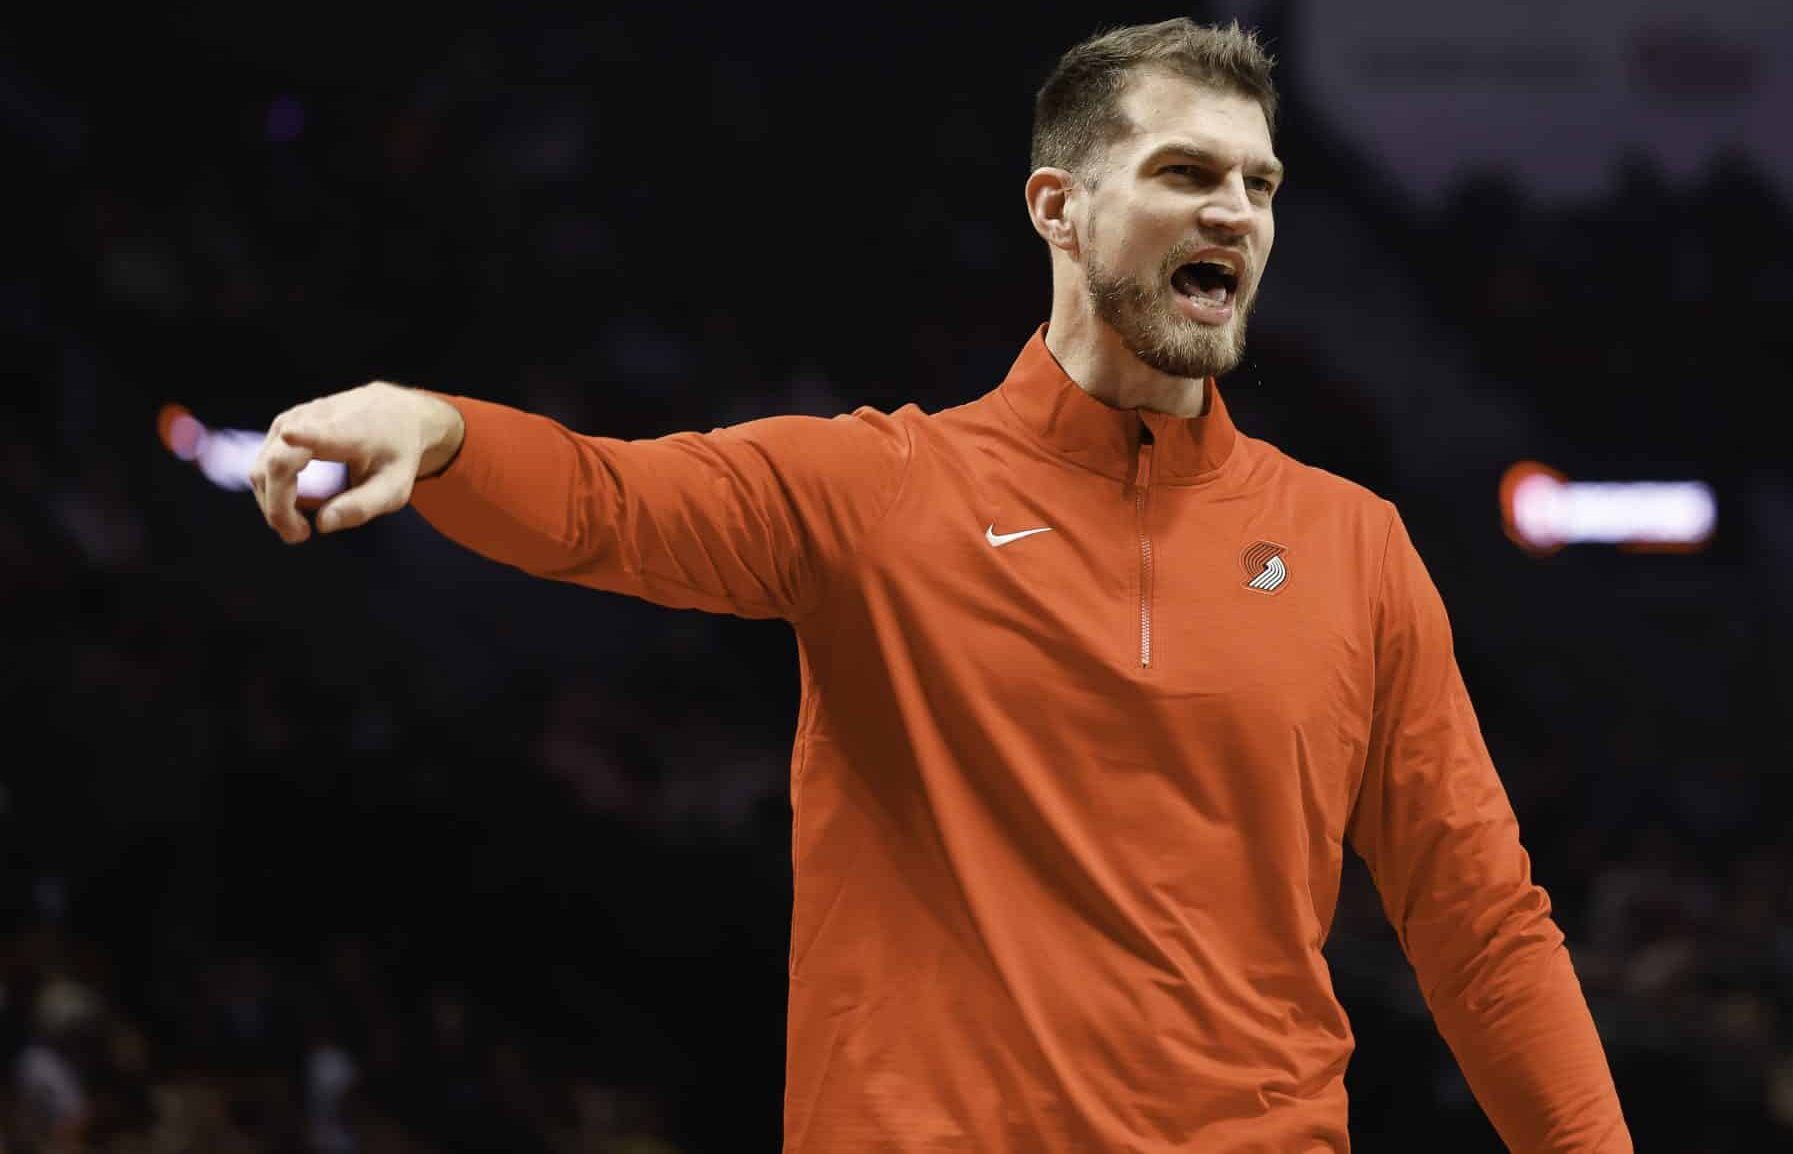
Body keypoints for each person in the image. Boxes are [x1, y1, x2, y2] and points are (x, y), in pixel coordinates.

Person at [246, 17, 1632, 1152]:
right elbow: (612, 503)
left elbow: (1481, 923)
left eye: (1259, 185)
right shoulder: (879, 491)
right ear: (1059, 206)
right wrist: (439, 429)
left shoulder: (1355, 547)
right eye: (1185, 172)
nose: (1234, 210)